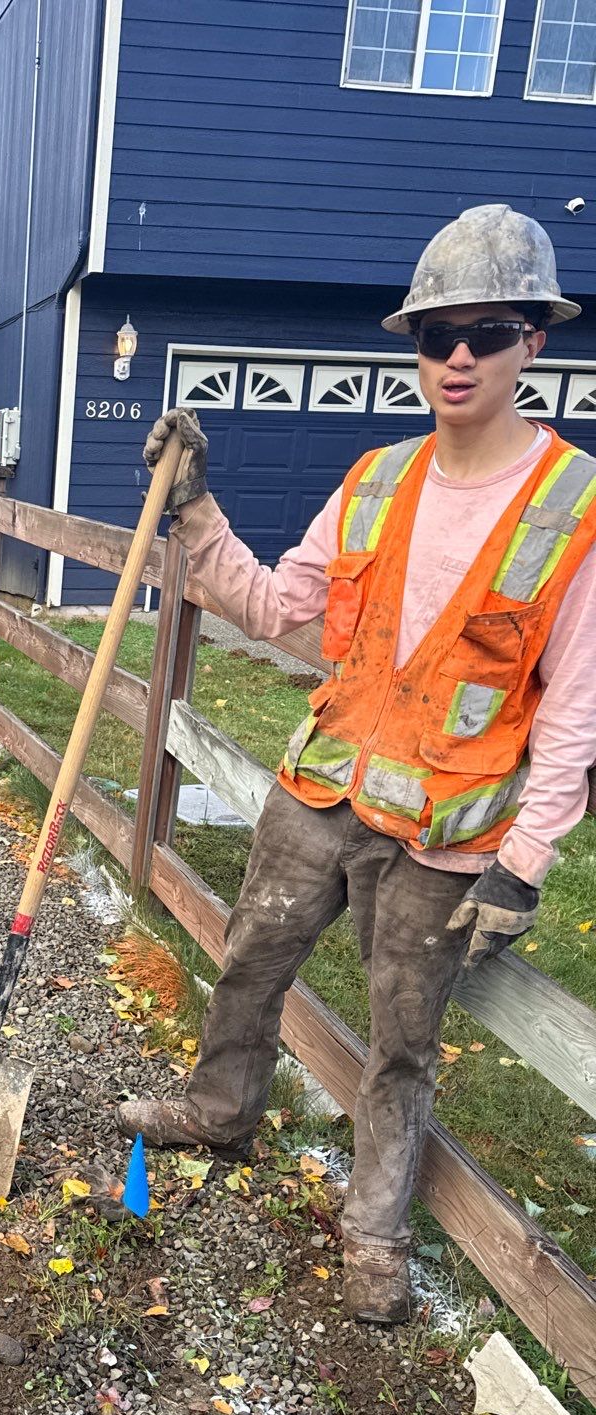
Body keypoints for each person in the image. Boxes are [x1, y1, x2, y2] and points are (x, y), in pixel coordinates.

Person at [128, 203, 596, 1325]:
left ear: (535, 338)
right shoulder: (378, 481)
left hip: (445, 837)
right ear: (416, 348)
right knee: (249, 958)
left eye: (488, 331)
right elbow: (282, 610)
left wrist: (523, 864)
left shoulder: (575, 507)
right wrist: (194, 518)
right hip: (324, 789)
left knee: (401, 1042)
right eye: (439, 336)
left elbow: (577, 706)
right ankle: (220, 1107)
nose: (461, 357)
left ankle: (375, 1231)